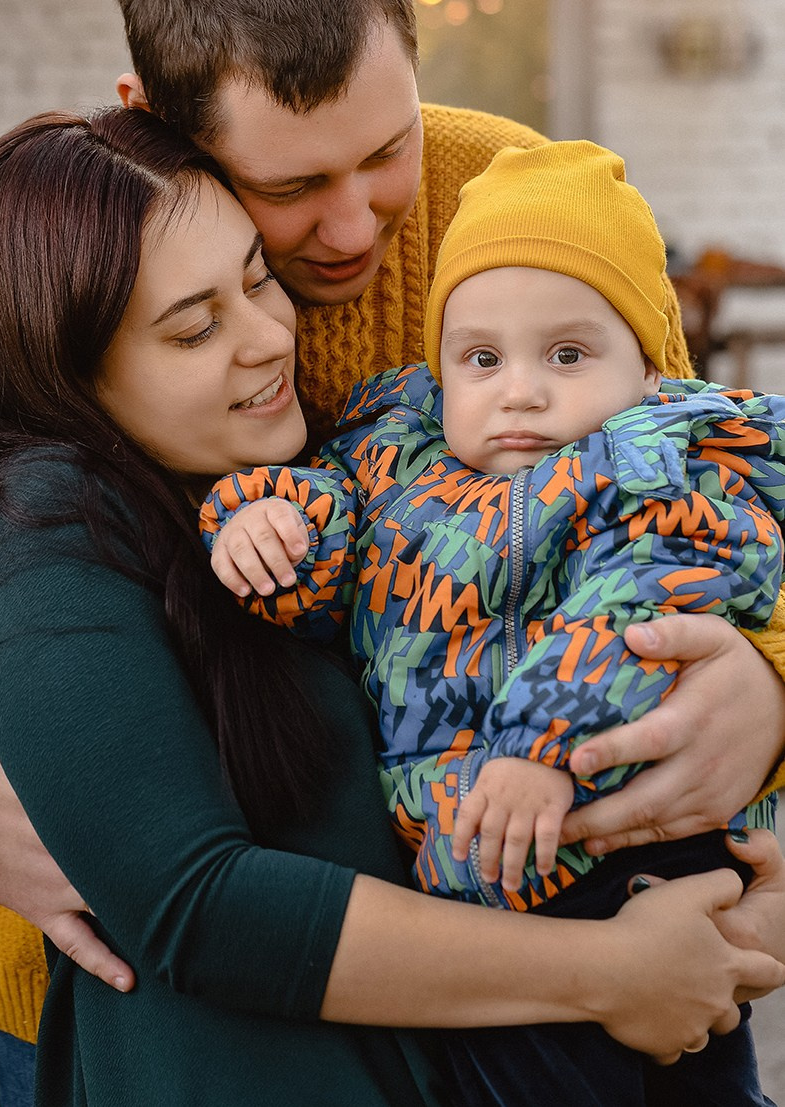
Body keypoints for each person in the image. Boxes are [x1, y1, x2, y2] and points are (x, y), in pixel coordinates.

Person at [0, 0, 785, 1097]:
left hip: (483, 927)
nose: (351, 226)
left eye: (386, 150)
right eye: (293, 185)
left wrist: (769, 691)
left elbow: (692, 492)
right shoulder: (60, 292)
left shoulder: (520, 202)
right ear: (153, 117)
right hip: (145, 994)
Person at [204, 138, 785, 1103]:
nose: (519, 389)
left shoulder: (651, 469)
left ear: (647, 371)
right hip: (473, 874)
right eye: (482, 358)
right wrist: (268, 523)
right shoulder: (394, 461)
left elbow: (639, 603)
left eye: (567, 355)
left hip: (624, 851)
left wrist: (537, 747)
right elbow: (329, 544)